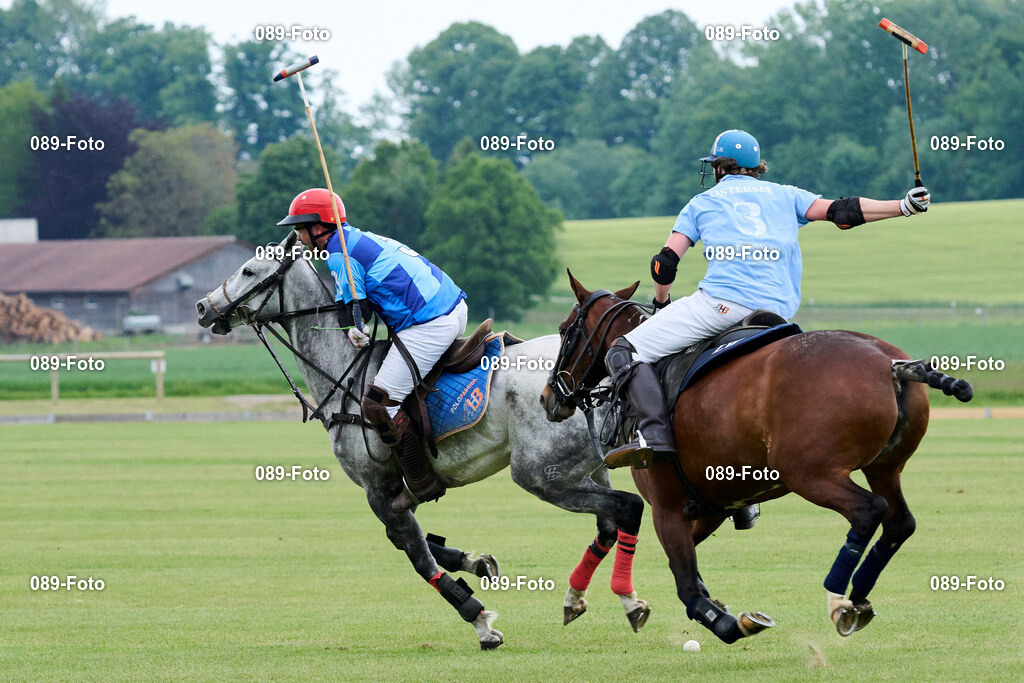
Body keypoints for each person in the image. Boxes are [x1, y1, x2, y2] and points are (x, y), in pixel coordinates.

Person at [602, 130, 930, 527]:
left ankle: (653, 437)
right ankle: (742, 496)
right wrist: (903, 206)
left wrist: (661, 301)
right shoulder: (785, 194)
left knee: (623, 350)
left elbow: (664, 263)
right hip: (777, 318)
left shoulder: (702, 202)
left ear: (719, 168)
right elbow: (844, 212)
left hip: (719, 306)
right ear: (756, 168)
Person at [277, 188, 468, 511]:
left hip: (429, 322)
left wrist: (356, 326)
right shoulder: (352, 239)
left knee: (377, 402)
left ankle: (422, 482)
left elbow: (359, 309)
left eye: (300, 228)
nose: (298, 236)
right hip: (449, 307)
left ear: (318, 226)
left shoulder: (338, 253)